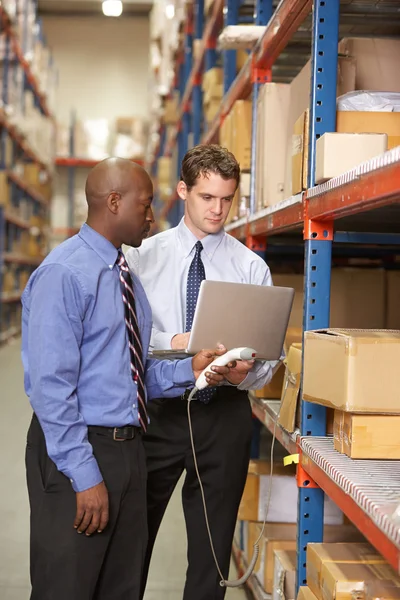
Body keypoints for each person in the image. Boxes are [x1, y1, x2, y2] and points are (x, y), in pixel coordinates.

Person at [21, 157, 234, 600]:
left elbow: (133, 374)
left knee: (121, 586)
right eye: (146, 204)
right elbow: (51, 389)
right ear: (113, 203)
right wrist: (84, 476)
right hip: (79, 449)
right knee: (69, 585)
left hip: (130, 450)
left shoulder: (128, 280)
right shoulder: (65, 274)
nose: (153, 216)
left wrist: (191, 371)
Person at [126, 144, 282, 600]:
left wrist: (243, 375)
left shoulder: (250, 266)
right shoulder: (143, 258)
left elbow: (267, 361)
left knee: (212, 556)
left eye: (226, 199)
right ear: (182, 191)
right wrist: (178, 344)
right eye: (206, 197)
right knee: (133, 542)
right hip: (158, 413)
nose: (217, 210)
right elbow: (127, 338)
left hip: (223, 418)